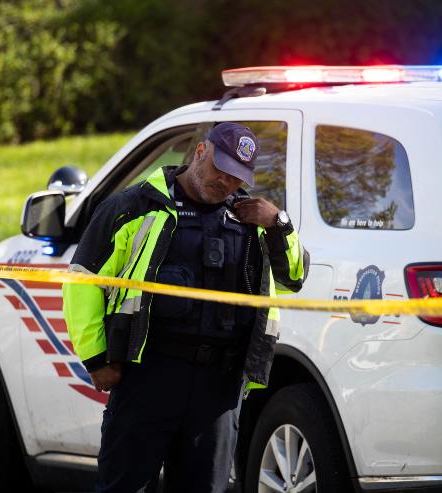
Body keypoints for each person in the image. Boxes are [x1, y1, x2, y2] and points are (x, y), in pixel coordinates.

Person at [63, 122, 310, 493]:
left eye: (236, 176)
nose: (226, 183)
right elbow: (82, 280)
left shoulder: (251, 220)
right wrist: (96, 358)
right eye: (220, 170)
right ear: (200, 153)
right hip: (147, 374)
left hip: (219, 387)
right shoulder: (134, 206)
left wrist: (278, 223)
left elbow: (294, 278)